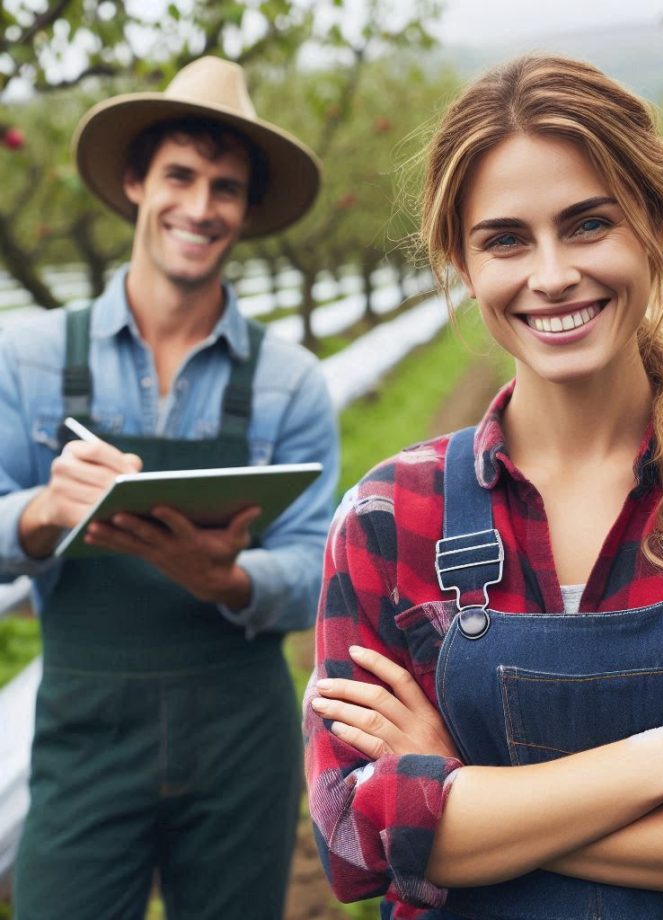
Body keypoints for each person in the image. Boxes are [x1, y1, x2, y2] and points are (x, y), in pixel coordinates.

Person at [304, 54, 663, 920]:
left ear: (656, 223)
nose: (550, 274)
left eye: (586, 225)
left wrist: (462, 803)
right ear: (460, 260)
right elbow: (355, 839)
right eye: (505, 239)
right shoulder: (390, 519)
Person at [0, 57, 339, 919]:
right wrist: (42, 511)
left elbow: (317, 570)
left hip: (239, 736)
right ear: (134, 183)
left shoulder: (289, 381)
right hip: (85, 731)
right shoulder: (31, 360)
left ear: (248, 211)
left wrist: (227, 578)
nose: (200, 206)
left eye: (225, 187)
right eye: (179, 176)